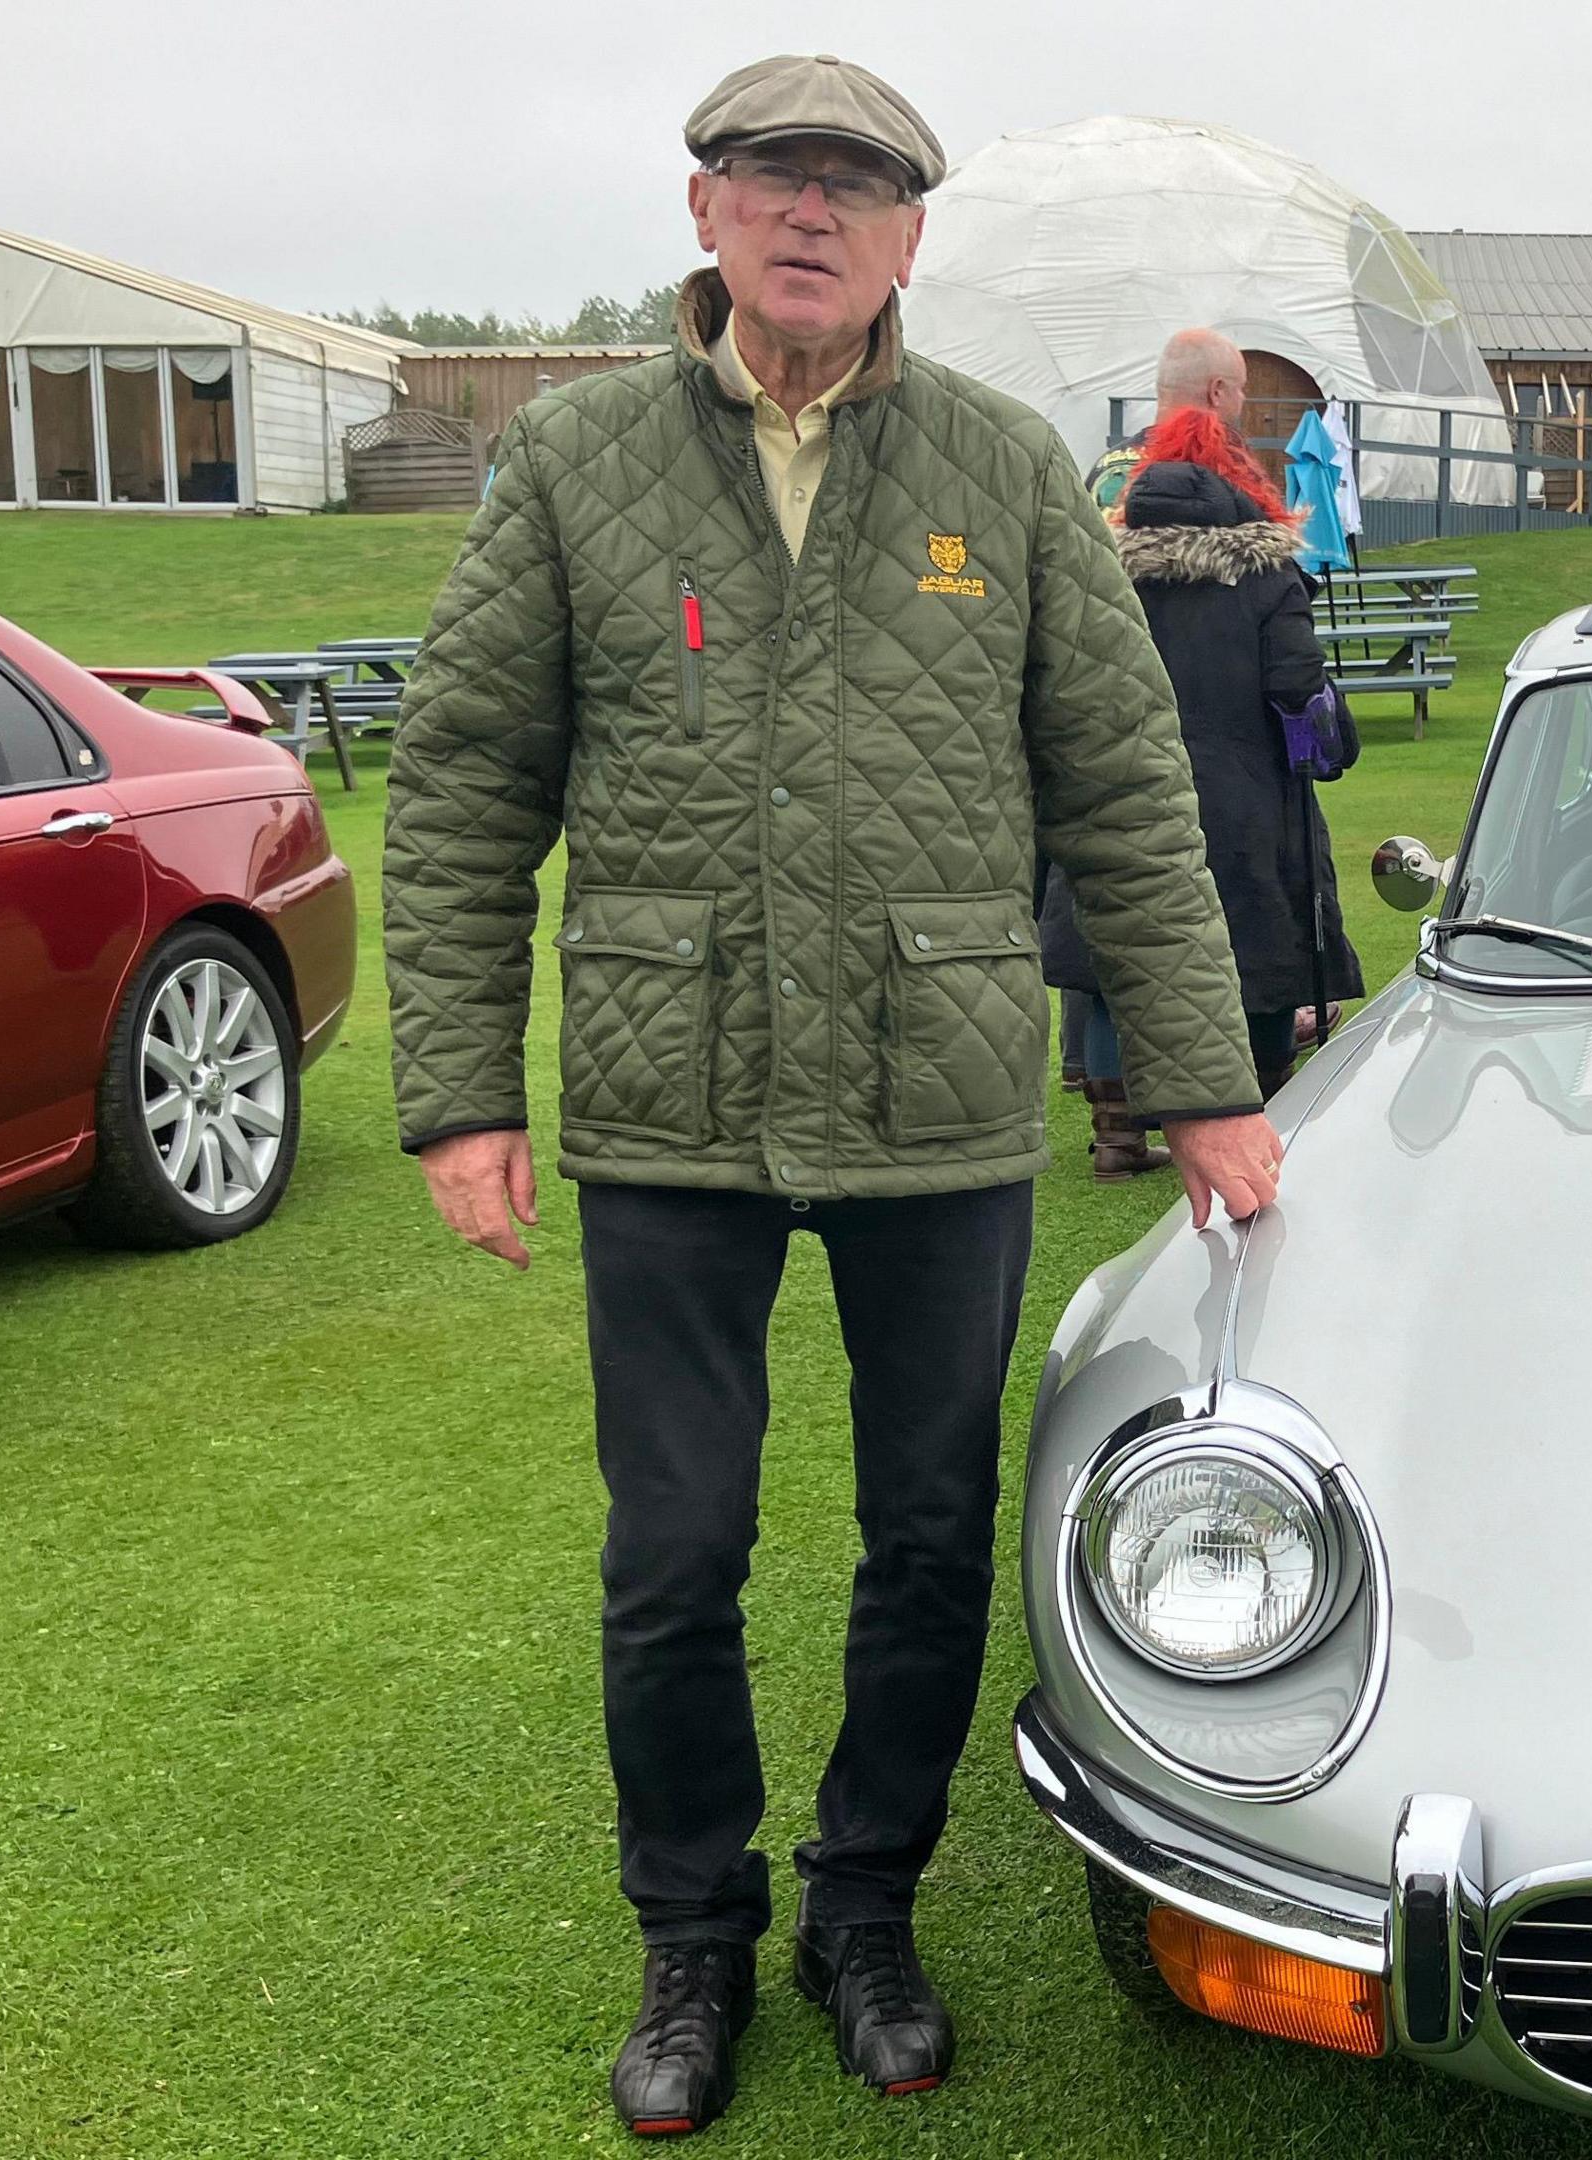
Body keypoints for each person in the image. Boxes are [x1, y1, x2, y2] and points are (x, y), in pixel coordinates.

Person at [381, 52, 1278, 2135]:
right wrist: (456, 1095)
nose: (812, 212)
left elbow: (1129, 792)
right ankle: (689, 1938)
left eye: (856, 185)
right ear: (705, 213)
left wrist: (1212, 1084)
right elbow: (461, 781)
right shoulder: (580, 461)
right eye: (773, 177)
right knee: (675, 1549)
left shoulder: (999, 467)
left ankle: (865, 1907)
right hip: (664, 1088)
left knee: (928, 1535)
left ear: (909, 238)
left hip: (938, 1086)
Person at [1043, 378, 1361, 1148]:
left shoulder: (1101, 573)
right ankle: (1267, 1102)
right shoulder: (1265, 578)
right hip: (1245, 794)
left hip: (1122, 784)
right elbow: (1297, 689)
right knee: (1259, 945)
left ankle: (1117, 1135)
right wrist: (1325, 747)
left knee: (1116, 956)